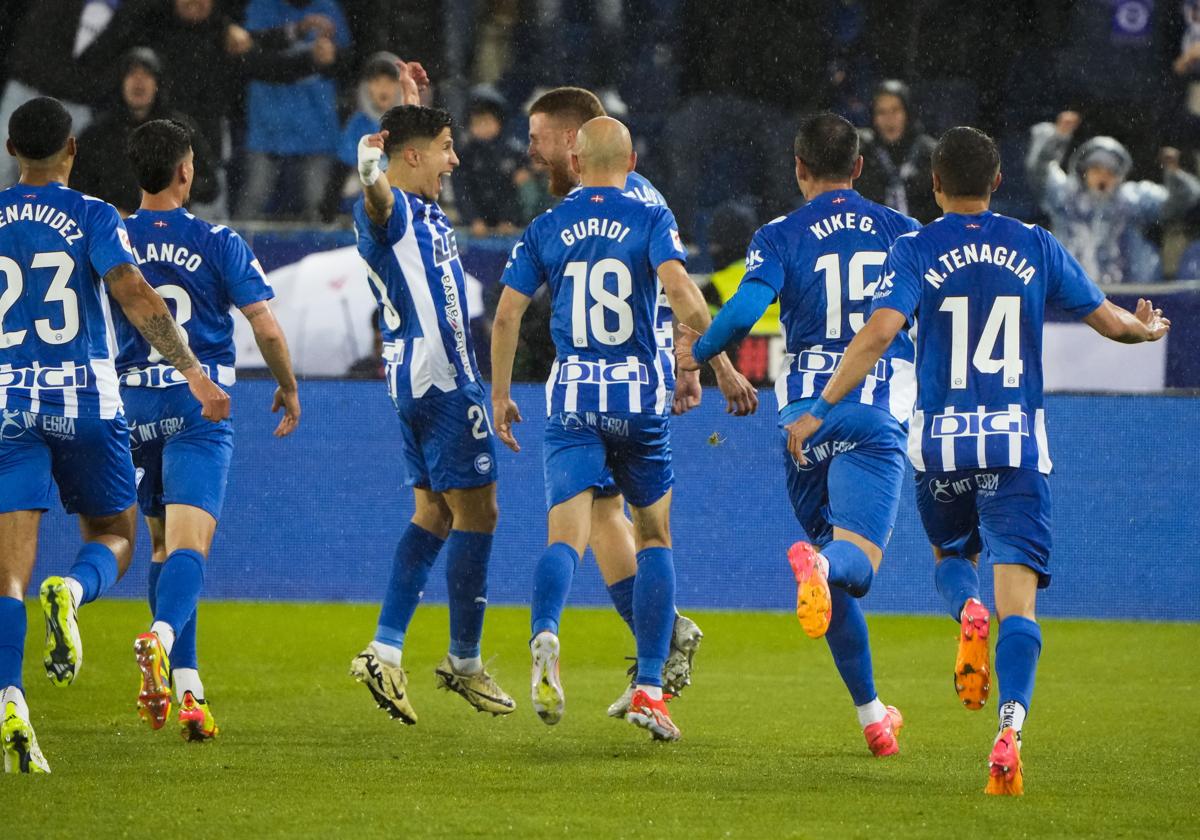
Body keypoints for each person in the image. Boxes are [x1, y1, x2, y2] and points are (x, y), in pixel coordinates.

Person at [785, 126, 1170, 794]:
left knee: (952, 561)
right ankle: (1009, 731)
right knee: (1019, 605)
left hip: (942, 444)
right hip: (1016, 441)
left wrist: (821, 402)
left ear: (934, 185)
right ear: (997, 182)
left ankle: (968, 611)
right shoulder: (1033, 242)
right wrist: (1146, 330)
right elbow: (1108, 319)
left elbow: (878, 333)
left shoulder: (914, 246)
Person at [491, 116, 754, 740]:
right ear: (632, 159)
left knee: (566, 535)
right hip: (638, 399)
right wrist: (719, 364)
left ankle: (546, 631)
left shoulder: (546, 226)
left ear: (575, 163)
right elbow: (683, 295)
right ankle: (649, 688)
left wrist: (500, 394)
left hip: (573, 399)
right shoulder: (650, 216)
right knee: (654, 534)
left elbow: (506, 316)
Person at [676, 113, 918, 758]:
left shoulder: (780, 234)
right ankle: (820, 563)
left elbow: (747, 311)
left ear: (799, 168)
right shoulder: (903, 231)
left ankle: (873, 716)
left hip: (801, 418)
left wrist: (699, 354)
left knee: (830, 579)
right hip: (870, 408)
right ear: (861, 167)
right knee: (853, 566)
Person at [0, 96, 228, 773]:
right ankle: (72, 590)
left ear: (13, 151)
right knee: (118, 536)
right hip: (90, 406)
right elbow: (135, 293)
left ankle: (11, 698)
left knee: (8, 574)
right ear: (71, 150)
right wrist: (191, 370)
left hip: (9, 408)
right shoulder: (94, 215)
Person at [110, 118, 300, 738]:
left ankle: (189, 693)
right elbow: (265, 326)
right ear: (186, 170)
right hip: (199, 406)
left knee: (163, 549)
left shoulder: (109, 238)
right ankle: (161, 639)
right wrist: (288, 385)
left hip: (131, 410)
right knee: (191, 547)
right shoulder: (218, 240)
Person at [348, 79, 515, 724]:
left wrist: (416, 100)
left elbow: (399, 175)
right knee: (481, 515)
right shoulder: (390, 210)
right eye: (446, 148)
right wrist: (370, 166)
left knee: (435, 516)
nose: (456, 159)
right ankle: (464, 662)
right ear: (410, 157)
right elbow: (378, 197)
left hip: (415, 381)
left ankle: (384, 649)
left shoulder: (424, 209)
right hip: (443, 383)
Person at [1026, 110, 1200, 283]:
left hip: (1122, 296)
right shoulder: (1064, 196)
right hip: (1067, 294)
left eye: (1110, 171)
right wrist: (1058, 138)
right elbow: (1039, 171)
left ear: (1120, 176)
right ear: (1083, 171)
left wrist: (1174, 175)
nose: (1103, 177)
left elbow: (1180, 203)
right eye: (1096, 169)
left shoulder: (1132, 199)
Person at [70, 48, 219, 215]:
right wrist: (108, 213)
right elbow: (76, 186)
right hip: (112, 230)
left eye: (147, 74)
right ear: (121, 81)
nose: (138, 81)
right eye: (132, 73)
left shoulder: (180, 130)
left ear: (158, 83)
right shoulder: (98, 133)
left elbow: (210, 186)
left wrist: (172, 192)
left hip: (168, 229)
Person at [855, 80, 940, 224]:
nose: (889, 119)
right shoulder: (862, 154)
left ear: (908, 113)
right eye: (881, 112)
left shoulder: (930, 154)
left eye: (895, 110)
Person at [451, 88, 524, 237]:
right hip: (476, 229)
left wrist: (509, 219)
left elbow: (516, 193)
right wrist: (473, 220)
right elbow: (462, 190)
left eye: (488, 121)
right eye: (478, 122)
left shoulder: (515, 153)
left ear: (500, 122)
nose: (483, 127)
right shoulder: (464, 155)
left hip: (511, 228)